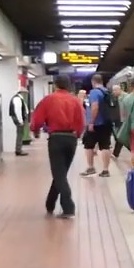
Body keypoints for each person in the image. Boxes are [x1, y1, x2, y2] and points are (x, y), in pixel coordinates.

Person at [30, 75, 85, 218]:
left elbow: (37, 120)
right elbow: (81, 122)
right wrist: (77, 135)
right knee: (61, 173)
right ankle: (50, 203)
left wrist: (35, 130)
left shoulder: (49, 99)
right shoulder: (75, 101)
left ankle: (68, 207)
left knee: (59, 174)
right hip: (71, 139)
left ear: (55, 85)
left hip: (56, 138)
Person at [81, 74, 115, 177]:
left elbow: (94, 107)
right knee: (105, 146)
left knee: (88, 146)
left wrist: (91, 122)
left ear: (93, 82)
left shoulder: (94, 92)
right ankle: (105, 170)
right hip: (107, 122)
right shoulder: (107, 92)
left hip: (96, 124)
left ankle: (91, 168)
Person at [8, 91, 29, 156]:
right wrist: (20, 121)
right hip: (19, 119)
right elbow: (18, 111)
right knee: (19, 134)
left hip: (19, 118)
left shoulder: (19, 98)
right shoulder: (17, 99)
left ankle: (19, 149)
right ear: (22, 93)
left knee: (20, 134)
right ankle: (18, 150)